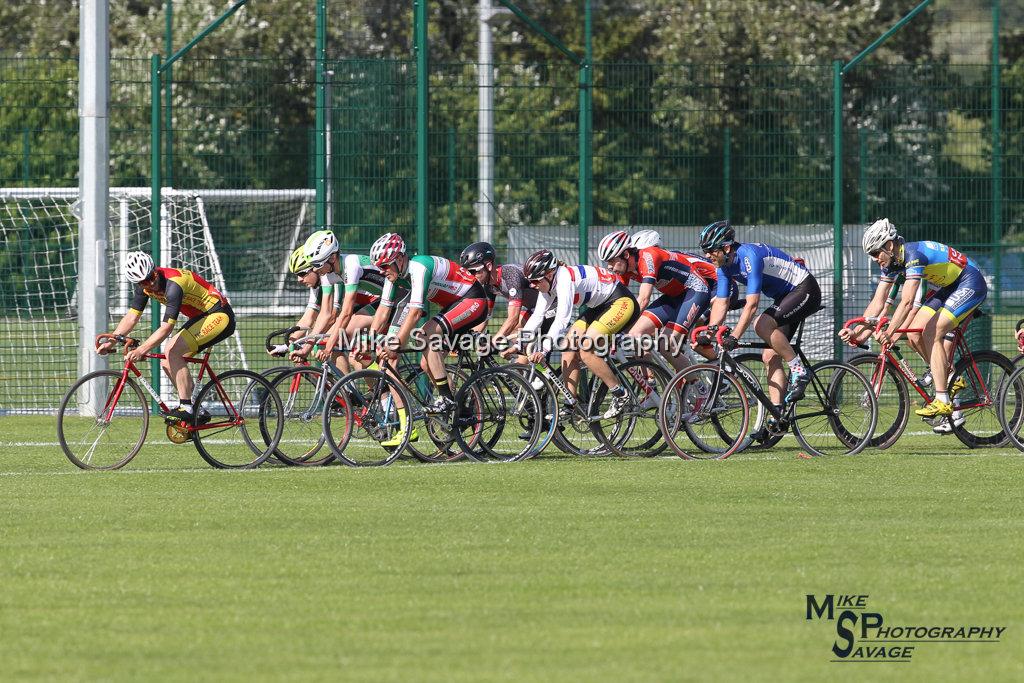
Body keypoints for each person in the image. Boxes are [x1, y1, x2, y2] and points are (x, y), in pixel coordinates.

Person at [841, 218, 986, 421]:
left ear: (889, 245)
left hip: (970, 282)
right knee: (915, 335)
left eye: (875, 253)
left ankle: (943, 400)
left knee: (932, 332)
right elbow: (878, 301)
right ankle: (951, 376)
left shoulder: (912, 255)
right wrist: (857, 332)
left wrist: (890, 332)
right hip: (948, 287)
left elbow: (907, 302)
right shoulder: (893, 262)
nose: (874, 258)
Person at [368, 233, 491, 446]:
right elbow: (383, 311)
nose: (382, 271)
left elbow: (415, 312)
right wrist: (369, 342)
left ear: (399, 259)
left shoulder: (418, 267)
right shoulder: (395, 275)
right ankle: (458, 410)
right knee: (427, 363)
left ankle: (446, 398)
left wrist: (396, 343)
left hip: (473, 300)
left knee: (425, 335)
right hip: (455, 305)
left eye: (385, 266)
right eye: (379, 267)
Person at [97, 251, 235, 424]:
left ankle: (186, 407)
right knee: (166, 362)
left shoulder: (174, 284)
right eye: (145, 282)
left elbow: (167, 327)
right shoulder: (144, 288)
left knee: (172, 351)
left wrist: (142, 349)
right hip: (201, 317)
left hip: (219, 315)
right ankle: (197, 410)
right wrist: (111, 341)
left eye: (152, 276)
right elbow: (132, 317)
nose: (151, 283)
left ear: (155, 269)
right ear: (139, 283)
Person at [700, 220, 821, 408]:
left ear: (725, 248)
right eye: (704, 251)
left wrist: (734, 336)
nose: (707, 256)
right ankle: (778, 414)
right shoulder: (723, 267)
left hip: (804, 289)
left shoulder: (749, 256)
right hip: (785, 297)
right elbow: (722, 302)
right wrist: (710, 332)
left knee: (761, 324)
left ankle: (799, 371)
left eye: (710, 250)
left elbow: (752, 305)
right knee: (769, 357)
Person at [517, 249, 640, 419]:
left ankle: (620, 394)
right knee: (568, 349)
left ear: (550, 273)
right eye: (530, 281)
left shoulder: (564, 279)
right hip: (599, 307)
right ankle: (570, 404)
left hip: (621, 302)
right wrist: (520, 342)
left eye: (536, 280)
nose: (532, 285)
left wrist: (544, 350)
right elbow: (538, 315)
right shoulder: (548, 284)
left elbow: (561, 319)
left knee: (586, 350)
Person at [598, 229, 717, 371]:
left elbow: (643, 299)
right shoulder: (625, 268)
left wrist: (618, 329)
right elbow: (617, 301)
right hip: (673, 297)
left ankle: (699, 388)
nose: (609, 267)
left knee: (665, 344)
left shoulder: (648, 256)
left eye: (612, 261)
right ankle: (650, 384)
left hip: (695, 291)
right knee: (634, 336)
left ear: (626, 254)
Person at [459, 241, 530, 349]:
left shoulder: (510, 275)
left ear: (489, 266)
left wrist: (493, 343)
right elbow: (484, 318)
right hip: (534, 309)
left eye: (474, 271)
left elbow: (513, 318)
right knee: (514, 348)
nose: (472, 276)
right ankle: (519, 365)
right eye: (469, 273)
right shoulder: (488, 285)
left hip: (553, 305)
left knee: (516, 331)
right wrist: (466, 341)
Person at [287, 230, 340, 363]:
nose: (299, 280)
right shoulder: (317, 286)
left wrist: (307, 345)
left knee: (329, 345)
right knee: (318, 343)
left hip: (371, 310)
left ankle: (346, 384)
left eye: (302, 273)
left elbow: (332, 317)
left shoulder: (331, 278)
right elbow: (308, 318)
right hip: (354, 316)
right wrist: (289, 343)